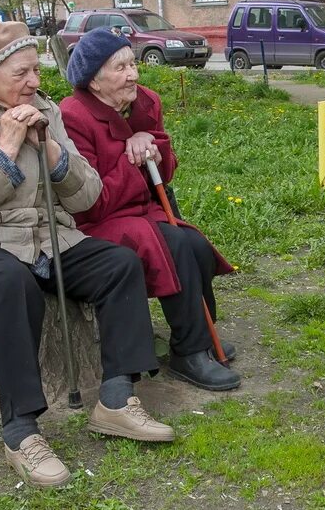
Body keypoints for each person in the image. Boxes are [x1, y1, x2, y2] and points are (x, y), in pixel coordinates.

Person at [0, 22, 175, 489]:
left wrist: (55, 153)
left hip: (43, 236)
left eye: (37, 69)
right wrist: (5, 151)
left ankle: (116, 399)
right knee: (10, 283)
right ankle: (20, 431)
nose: (35, 81)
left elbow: (86, 196)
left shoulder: (45, 110)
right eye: (23, 72)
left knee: (118, 265)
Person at [59, 28, 241, 392]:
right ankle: (189, 353)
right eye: (121, 68)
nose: (134, 74)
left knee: (195, 246)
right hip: (97, 220)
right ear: (94, 80)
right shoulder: (73, 117)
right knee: (172, 244)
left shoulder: (146, 103)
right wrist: (131, 153)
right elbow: (90, 200)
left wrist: (154, 147)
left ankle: (199, 338)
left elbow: (166, 172)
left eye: (132, 63)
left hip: (143, 210)